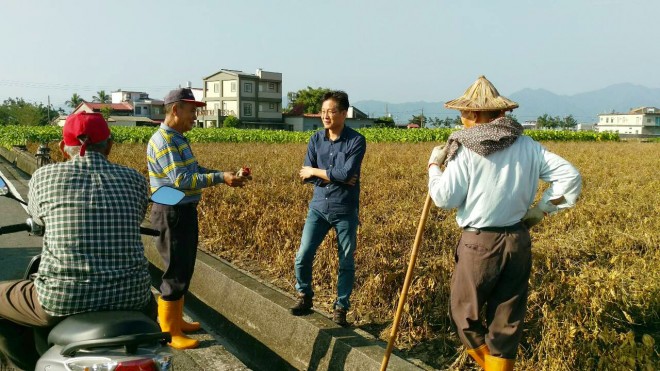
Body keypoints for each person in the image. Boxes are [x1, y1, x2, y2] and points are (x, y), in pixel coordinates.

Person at [427, 76, 582, 370]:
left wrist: (434, 166)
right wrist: (543, 210)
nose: (461, 119)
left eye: (463, 113)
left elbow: (444, 198)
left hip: (480, 243)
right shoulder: (528, 145)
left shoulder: (466, 147)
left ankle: (488, 366)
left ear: (474, 115)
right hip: (518, 241)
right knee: (505, 323)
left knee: (464, 314)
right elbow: (570, 177)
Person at [0, 112, 156, 370]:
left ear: (63, 148)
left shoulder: (44, 177)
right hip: (134, 297)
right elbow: (138, 215)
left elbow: (38, 220)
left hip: (60, 300)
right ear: (109, 145)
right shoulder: (136, 179)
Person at [147, 87, 248, 349]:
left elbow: (194, 171)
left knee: (184, 267)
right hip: (172, 211)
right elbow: (181, 180)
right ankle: (169, 330)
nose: (195, 115)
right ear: (175, 109)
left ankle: (176, 320)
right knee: (175, 270)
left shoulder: (178, 138)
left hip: (182, 210)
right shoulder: (165, 141)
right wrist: (220, 178)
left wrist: (224, 175)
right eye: (192, 110)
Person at [290, 91, 367, 327]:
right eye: (323, 111)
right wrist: (331, 176)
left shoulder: (356, 140)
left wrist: (317, 172)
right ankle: (304, 295)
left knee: (345, 262)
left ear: (344, 113)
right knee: (303, 256)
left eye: (331, 111)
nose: (326, 115)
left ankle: (341, 307)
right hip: (319, 208)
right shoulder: (315, 139)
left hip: (345, 210)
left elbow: (346, 173)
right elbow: (307, 175)